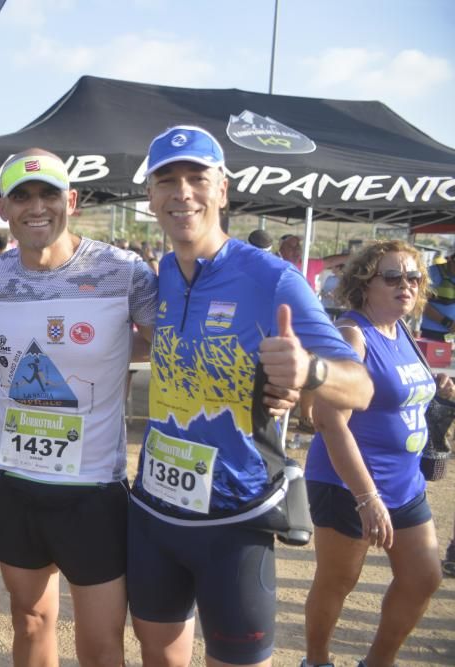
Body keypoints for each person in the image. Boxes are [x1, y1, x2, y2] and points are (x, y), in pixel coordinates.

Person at [126, 126, 373, 667]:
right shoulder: (160, 274)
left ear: (223, 189)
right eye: (167, 180)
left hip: (233, 521)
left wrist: (309, 369)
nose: (182, 192)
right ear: (150, 196)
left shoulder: (272, 279)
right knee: (157, 657)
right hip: (154, 512)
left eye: (197, 178)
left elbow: (361, 384)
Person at [0, 149, 158, 666]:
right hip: (14, 484)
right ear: (3, 207)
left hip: (92, 491)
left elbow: (172, 342)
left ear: (70, 201)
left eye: (48, 193)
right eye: (22, 195)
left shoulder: (123, 272)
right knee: (30, 623)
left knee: (100, 645)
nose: (37, 206)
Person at [302, 240, 445, 667]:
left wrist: (435, 389)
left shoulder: (400, 329)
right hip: (348, 484)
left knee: (423, 578)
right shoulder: (352, 335)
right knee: (338, 581)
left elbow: (395, 392)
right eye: (393, 276)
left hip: (405, 483)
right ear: (366, 283)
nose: (407, 285)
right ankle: (316, 660)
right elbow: (328, 420)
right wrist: (367, 498)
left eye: (414, 277)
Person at [419, 248, 455, 341]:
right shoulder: (431, 272)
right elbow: (420, 303)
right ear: (449, 259)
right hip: (433, 333)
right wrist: (447, 323)